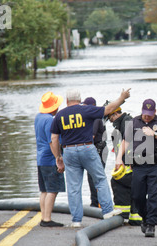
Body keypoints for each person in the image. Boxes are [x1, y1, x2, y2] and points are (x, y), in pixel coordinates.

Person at [50, 88, 130, 227]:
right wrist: (122, 98)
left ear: (67, 100)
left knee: (74, 187)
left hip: (68, 151)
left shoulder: (59, 115)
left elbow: (54, 138)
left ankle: (76, 221)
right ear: (80, 100)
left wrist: (58, 156)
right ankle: (107, 211)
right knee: (99, 179)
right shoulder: (86, 110)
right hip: (87, 148)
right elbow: (108, 109)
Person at [115, 99, 157, 237]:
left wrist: (154, 134)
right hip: (139, 164)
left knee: (154, 195)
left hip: (156, 163)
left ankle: (151, 225)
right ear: (141, 111)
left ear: (155, 112)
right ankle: (145, 217)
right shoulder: (134, 122)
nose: (147, 117)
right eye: (145, 114)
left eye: (150, 114)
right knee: (137, 195)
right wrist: (118, 158)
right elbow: (125, 141)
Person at [34, 91, 65, 227]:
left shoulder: (38, 117)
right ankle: (47, 219)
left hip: (40, 158)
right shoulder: (49, 120)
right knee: (53, 189)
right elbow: (52, 141)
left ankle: (43, 216)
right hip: (49, 158)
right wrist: (58, 157)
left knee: (44, 190)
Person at [108, 106, 142, 226]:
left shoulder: (127, 121)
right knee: (125, 187)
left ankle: (128, 216)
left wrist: (132, 161)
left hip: (131, 165)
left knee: (118, 182)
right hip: (125, 165)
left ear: (115, 113)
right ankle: (126, 216)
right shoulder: (121, 124)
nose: (109, 120)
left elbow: (132, 142)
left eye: (109, 117)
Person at [83, 97, 108, 208]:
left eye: (84, 106)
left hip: (98, 150)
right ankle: (95, 201)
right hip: (98, 149)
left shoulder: (94, 118)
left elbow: (91, 136)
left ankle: (97, 203)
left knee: (95, 177)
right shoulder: (96, 116)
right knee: (93, 176)